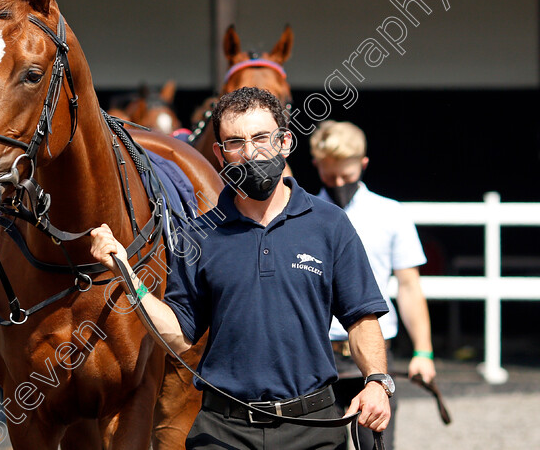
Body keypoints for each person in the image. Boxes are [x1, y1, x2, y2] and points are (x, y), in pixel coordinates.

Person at [90, 87, 392, 449]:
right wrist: (129, 276)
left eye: (262, 138)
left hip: (314, 428)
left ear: (285, 142)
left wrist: (376, 381)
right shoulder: (198, 237)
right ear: (220, 154)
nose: (250, 153)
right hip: (223, 430)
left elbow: (361, 319)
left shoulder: (329, 224)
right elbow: (178, 337)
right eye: (236, 142)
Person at [310, 120, 435, 450]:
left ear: (363, 165)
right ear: (316, 166)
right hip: (318, 355)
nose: (338, 184)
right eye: (329, 175)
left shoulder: (390, 214)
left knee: (377, 446)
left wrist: (423, 351)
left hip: (376, 352)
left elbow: (409, 286)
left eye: (347, 176)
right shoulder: (303, 214)